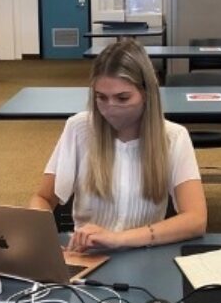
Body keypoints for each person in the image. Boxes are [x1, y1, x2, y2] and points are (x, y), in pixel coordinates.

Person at [30, 39, 207, 252]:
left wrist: (118, 238)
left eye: (122, 98)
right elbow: (43, 198)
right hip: (87, 257)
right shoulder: (78, 129)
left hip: (145, 255)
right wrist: (42, 238)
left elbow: (196, 219)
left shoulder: (174, 137)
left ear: (146, 93)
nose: (109, 108)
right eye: (101, 97)